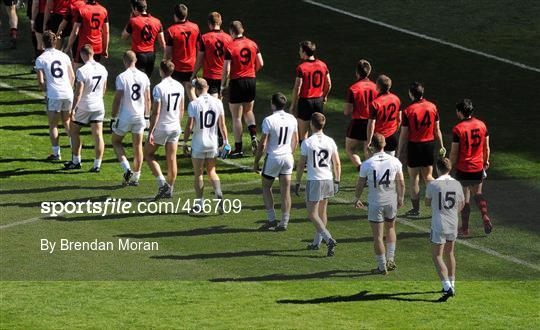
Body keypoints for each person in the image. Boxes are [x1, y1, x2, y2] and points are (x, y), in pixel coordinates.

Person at [354, 133, 405, 275]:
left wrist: (356, 198)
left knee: (377, 236)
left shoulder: (367, 163)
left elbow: (360, 184)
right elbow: (401, 182)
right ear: (384, 145)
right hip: (391, 201)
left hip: (375, 202)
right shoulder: (395, 161)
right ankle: (391, 259)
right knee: (391, 229)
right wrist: (400, 197)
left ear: (372, 146)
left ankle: (382, 267)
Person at [295, 113, 340, 256]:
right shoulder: (330, 141)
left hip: (314, 180)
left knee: (312, 213)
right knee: (322, 212)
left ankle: (328, 238)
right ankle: (316, 242)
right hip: (328, 179)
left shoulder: (308, 142)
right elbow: (337, 163)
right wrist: (337, 181)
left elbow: (301, 164)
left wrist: (297, 181)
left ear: (311, 125)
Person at [397, 82, 444, 217]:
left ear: (411, 94)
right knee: (428, 176)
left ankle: (416, 209)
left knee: (414, 178)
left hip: (414, 146)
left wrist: (399, 151)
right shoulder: (432, 107)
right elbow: (437, 130)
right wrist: (441, 145)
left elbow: (404, 134)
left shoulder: (408, 110)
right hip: (429, 145)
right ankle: (441, 195)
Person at [183, 78, 230, 211]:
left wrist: (185, 141)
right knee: (212, 171)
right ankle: (218, 192)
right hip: (213, 143)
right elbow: (222, 125)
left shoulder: (194, 104)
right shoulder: (218, 102)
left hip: (198, 143)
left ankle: (199, 204)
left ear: (197, 90)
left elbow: (190, 126)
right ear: (207, 87)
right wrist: (226, 141)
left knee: (198, 174)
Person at [254, 92, 298, 231]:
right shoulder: (292, 119)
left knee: (267, 187)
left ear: (273, 104)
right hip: (287, 157)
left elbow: (262, 144)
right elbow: (295, 140)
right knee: (285, 191)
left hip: (273, 158)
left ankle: (271, 219)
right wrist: (289, 153)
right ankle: (284, 222)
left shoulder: (269, 120)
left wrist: (256, 162)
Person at [221, 20, 264, 158]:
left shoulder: (230, 47)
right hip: (251, 80)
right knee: (249, 111)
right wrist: (252, 71)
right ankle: (252, 134)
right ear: (242, 30)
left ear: (231, 32)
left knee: (236, 117)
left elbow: (227, 69)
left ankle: (238, 148)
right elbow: (261, 63)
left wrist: (223, 85)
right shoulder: (253, 44)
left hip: (237, 82)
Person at [450, 99, 492, 236]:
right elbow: (486, 147)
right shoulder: (482, 125)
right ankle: (484, 215)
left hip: (464, 168)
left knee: (464, 199)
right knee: (478, 194)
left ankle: (465, 228)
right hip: (478, 166)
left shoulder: (458, 129)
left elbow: (455, 152)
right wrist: (486, 161)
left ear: (460, 112)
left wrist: (449, 167)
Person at [425, 157, 464, 302]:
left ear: (437, 168)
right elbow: (461, 204)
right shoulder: (457, 184)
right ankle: (452, 283)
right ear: (450, 168)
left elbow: (427, 203)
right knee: (450, 253)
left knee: (437, 256)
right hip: (453, 222)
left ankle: (447, 286)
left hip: (439, 223)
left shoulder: (433, 184)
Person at [63, 44, 107, 172]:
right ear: (93, 53)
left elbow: (78, 92)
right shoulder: (103, 68)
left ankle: (76, 161)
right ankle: (97, 165)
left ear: (83, 55)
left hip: (84, 106)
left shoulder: (82, 70)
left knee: (74, 131)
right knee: (98, 135)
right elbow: (104, 88)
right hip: (98, 105)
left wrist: (73, 108)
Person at [145, 60, 184, 199]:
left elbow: (156, 112)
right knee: (172, 159)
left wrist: (150, 131)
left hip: (162, 127)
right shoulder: (180, 86)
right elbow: (181, 109)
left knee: (148, 154)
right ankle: (170, 190)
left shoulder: (159, 88)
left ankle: (162, 184)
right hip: (175, 126)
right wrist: (177, 125)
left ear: (161, 71)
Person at [111, 51, 151, 186]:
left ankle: (127, 168)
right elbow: (148, 98)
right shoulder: (144, 76)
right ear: (135, 61)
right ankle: (136, 177)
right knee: (138, 146)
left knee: (116, 141)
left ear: (124, 61)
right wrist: (147, 116)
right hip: (140, 116)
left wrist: (113, 116)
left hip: (125, 116)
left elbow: (117, 99)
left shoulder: (122, 77)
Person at [35, 31, 74, 161]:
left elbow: (41, 81)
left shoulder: (41, 59)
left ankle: (56, 154)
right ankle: (75, 153)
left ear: (42, 43)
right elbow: (72, 76)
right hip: (68, 92)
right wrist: (68, 89)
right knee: (67, 122)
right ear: (55, 42)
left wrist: (46, 92)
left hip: (54, 94)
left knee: (53, 125)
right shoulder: (64, 56)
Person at [289, 40, 331, 147]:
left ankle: (307, 161)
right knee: (317, 133)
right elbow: (329, 84)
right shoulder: (323, 65)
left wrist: (293, 105)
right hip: (318, 101)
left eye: (300, 50)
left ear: (304, 52)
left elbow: (297, 87)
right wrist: (324, 96)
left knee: (303, 135)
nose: (299, 52)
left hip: (305, 101)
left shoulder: (302, 68)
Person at [344, 59, 377, 169]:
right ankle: (371, 173)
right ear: (369, 72)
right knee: (368, 149)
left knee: (350, 148)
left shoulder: (353, 88)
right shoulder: (376, 87)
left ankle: (361, 169)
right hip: (372, 122)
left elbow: (347, 111)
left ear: (357, 72)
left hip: (358, 122)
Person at [191, 11, 232, 98]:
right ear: (220, 22)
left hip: (210, 76)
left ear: (209, 23)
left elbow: (200, 59)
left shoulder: (205, 38)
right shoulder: (229, 38)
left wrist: (194, 73)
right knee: (219, 103)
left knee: (212, 104)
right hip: (224, 75)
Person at [164, 3, 199, 101]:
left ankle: (175, 115)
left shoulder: (171, 31)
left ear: (175, 16)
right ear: (186, 14)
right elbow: (199, 47)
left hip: (177, 68)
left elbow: (168, 53)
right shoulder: (195, 27)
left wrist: (164, 63)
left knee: (175, 94)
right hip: (191, 67)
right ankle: (199, 114)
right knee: (192, 93)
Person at [121, 0, 165, 78]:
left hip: (138, 55)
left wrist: (130, 20)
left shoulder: (133, 21)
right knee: (147, 81)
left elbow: (124, 37)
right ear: (145, 7)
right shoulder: (157, 21)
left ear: (135, 9)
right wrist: (166, 57)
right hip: (151, 56)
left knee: (137, 80)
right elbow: (162, 42)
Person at [64, 0, 109, 70]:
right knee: (93, 72)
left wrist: (68, 46)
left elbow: (75, 32)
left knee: (78, 71)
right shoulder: (103, 10)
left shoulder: (82, 10)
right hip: (97, 48)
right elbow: (106, 32)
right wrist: (105, 48)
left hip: (83, 47)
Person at [366, 75, 401, 156]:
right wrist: (394, 131)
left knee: (376, 164)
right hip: (392, 136)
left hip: (378, 139)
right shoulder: (396, 99)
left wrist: (369, 140)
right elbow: (399, 119)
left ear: (377, 86)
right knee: (390, 162)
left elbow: (371, 124)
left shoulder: (375, 103)